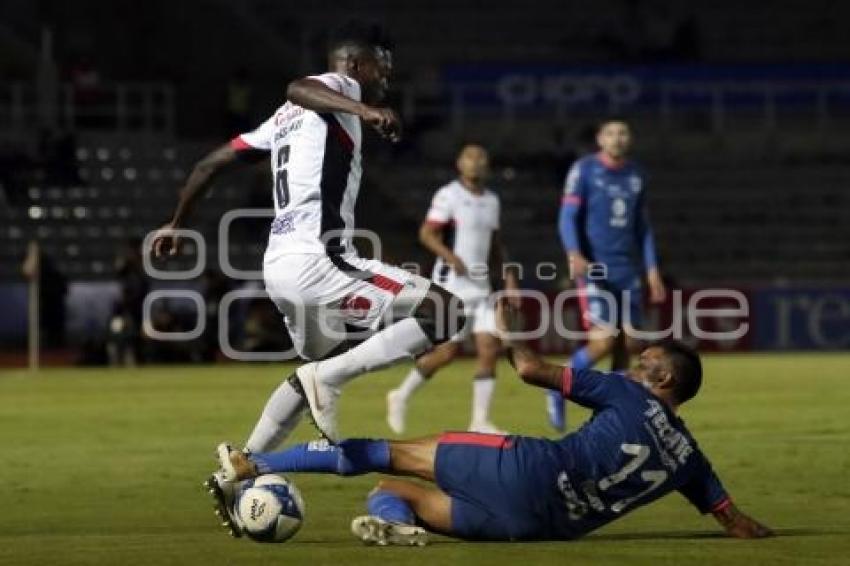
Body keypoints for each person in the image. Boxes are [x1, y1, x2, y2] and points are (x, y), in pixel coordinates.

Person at [151, 22, 466, 534]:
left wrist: (176, 221)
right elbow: (298, 85)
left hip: (279, 267)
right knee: (447, 311)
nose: (386, 77)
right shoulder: (336, 87)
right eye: (381, 67)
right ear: (356, 66)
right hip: (321, 258)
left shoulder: (281, 122)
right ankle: (331, 380)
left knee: (315, 365)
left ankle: (242, 465)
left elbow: (211, 163)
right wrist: (364, 108)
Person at [215, 299, 771, 544]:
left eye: (647, 360)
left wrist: (505, 327)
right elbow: (737, 522)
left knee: (381, 452)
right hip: (538, 529)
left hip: (524, 470)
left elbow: (528, 368)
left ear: (663, 380)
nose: (636, 360)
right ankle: (401, 526)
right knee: (393, 492)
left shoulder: (627, 394)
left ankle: (252, 461)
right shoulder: (691, 458)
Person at [387, 144, 518, 435]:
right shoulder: (449, 195)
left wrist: (509, 278)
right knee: (447, 353)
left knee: (488, 348)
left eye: (481, 157)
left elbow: (496, 245)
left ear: (487, 164)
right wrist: (451, 257)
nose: (475, 162)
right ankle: (401, 395)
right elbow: (426, 233)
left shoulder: (492, 201)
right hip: (452, 285)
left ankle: (480, 421)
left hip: (481, 286)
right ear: (460, 163)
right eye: (470, 157)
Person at [548, 119, 667, 431]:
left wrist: (652, 268)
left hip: (628, 270)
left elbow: (643, 228)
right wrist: (574, 253)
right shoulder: (584, 170)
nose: (618, 138)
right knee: (602, 343)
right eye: (611, 133)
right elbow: (567, 216)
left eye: (624, 132)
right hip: (595, 268)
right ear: (600, 139)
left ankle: (614, 411)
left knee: (629, 345)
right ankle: (555, 385)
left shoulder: (637, 174)